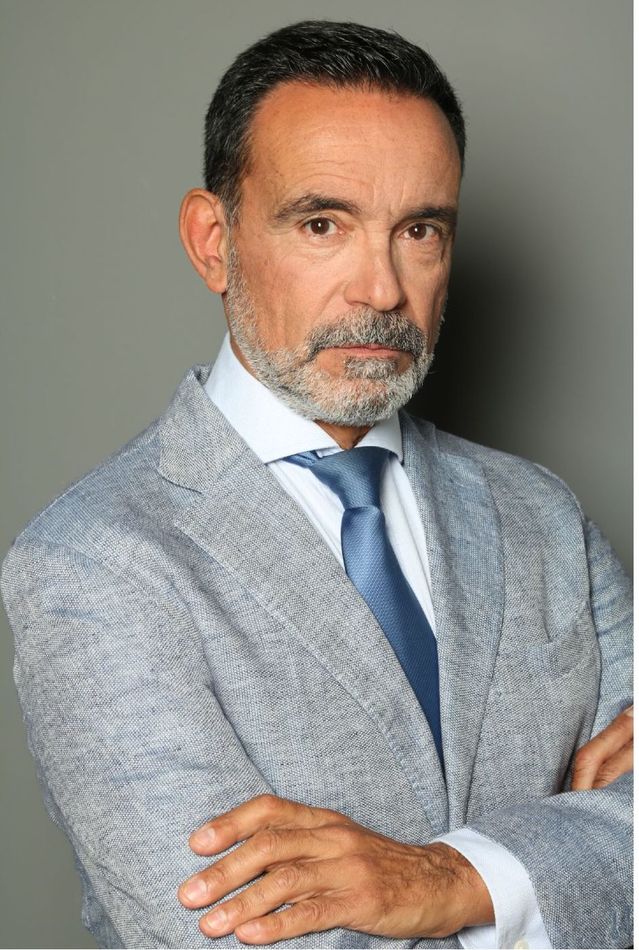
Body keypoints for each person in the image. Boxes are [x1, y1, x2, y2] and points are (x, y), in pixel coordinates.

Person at [0, 19, 632, 950]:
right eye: (322, 224)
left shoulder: (542, 516)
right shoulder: (93, 563)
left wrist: (452, 882)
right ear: (213, 241)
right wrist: (564, 873)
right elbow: (231, 938)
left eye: (418, 230)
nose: (381, 289)